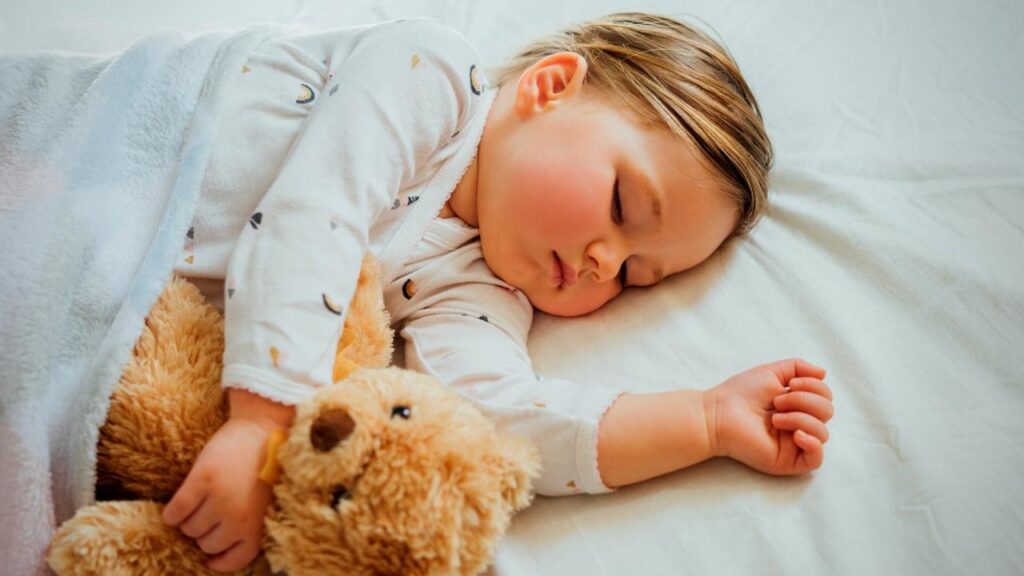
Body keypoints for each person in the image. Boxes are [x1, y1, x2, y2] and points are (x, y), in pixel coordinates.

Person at [160, 12, 834, 571]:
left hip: (133, 306)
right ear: (550, 87)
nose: (606, 262)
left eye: (635, 275)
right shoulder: (435, 76)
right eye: (623, 206)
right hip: (110, 151)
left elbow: (506, 416)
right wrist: (261, 421)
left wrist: (706, 421)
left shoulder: (478, 288)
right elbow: (317, 209)